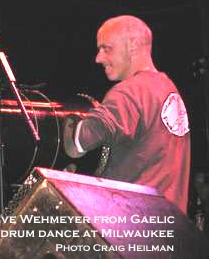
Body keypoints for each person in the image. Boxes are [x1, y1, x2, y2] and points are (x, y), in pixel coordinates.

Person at [63, 15, 190, 214]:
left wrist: (65, 118)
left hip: (131, 230)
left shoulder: (128, 92)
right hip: (169, 227)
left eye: (106, 48)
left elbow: (79, 142)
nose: (98, 58)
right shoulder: (167, 88)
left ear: (132, 45)